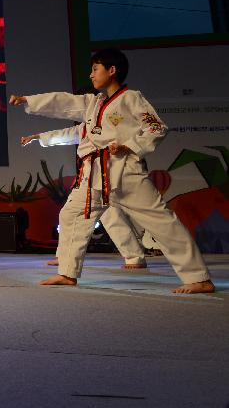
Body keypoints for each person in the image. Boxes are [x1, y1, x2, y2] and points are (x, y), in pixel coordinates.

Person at [11, 48, 214, 294]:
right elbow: (63, 103)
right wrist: (29, 101)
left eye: (95, 69)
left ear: (112, 70)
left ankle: (198, 277)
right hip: (93, 175)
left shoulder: (131, 98)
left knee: (162, 222)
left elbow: (157, 128)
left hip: (125, 173)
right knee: (71, 216)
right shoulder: (93, 102)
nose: (91, 74)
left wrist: (129, 145)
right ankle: (66, 272)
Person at [22, 123, 147, 269]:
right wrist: (37, 137)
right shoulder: (87, 126)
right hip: (90, 178)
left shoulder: (110, 124)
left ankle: (134, 257)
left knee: (109, 216)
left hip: (107, 177)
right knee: (72, 215)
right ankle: (66, 257)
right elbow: (66, 134)